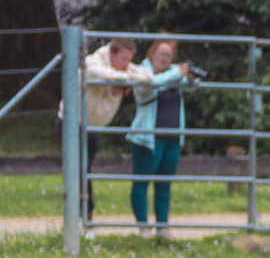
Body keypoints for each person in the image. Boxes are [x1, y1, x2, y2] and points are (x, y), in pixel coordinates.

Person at [125, 38, 194, 232]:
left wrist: (191, 77)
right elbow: (151, 85)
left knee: (164, 185)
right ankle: (143, 226)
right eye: (162, 54)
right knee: (142, 182)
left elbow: (191, 86)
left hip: (172, 138)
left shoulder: (175, 74)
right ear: (151, 53)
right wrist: (176, 73)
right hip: (147, 138)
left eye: (169, 55)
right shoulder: (141, 72)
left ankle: (163, 226)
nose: (165, 58)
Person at [78, 37, 145, 219]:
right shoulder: (92, 63)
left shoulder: (120, 70)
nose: (127, 64)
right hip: (73, 123)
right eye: (124, 59)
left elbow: (147, 76)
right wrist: (125, 79)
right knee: (80, 169)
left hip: (94, 127)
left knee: (85, 170)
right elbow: (94, 71)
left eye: (130, 60)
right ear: (111, 54)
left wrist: (124, 79)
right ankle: (85, 216)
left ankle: (83, 217)